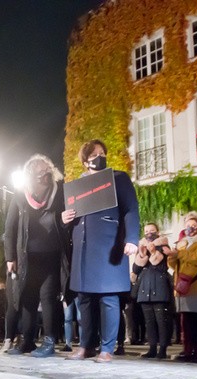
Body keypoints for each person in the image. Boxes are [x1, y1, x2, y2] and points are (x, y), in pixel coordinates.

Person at [63, 139, 140, 363]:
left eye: (102, 153)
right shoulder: (78, 185)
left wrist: (132, 239)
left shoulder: (118, 178)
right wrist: (65, 218)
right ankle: (86, 346)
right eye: (95, 154)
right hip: (84, 246)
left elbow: (131, 210)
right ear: (85, 160)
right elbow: (71, 214)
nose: (100, 157)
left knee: (109, 297)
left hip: (109, 245)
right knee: (84, 298)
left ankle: (107, 348)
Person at [4, 154, 70, 357]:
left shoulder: (61, 192)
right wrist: (9, 257)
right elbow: (10, 227)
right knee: (27, 299)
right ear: (30, 175)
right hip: (26, 257)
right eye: (40, 171)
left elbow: (68, 218)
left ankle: (49, 342)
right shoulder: (20, 195)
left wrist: (64, 219)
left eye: (47, 170)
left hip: (51, 255)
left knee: (48, 298)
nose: (45, 174)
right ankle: (27, 341)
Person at [167, 212, 197, 364]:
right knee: (187, 320)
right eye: (188, 225)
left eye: (194, 225)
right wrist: (172, 256)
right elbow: (174, 265)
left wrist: (180, 254)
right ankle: (190, 348)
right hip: (183, 286)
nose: (190, 228)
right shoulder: (182, 242)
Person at [132, 223, 173, 360]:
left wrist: (153, 251)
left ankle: (163, 349)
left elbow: (157, 262)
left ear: (158, 232)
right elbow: (136, 269)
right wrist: (142, 255)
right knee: (149, 321)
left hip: (159, 288)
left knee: (161, 321)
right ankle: (152, 348)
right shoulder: (141, 247)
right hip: (145, 288)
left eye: (152, 231)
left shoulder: (163, 246)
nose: (149, 233)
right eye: (147, 231)